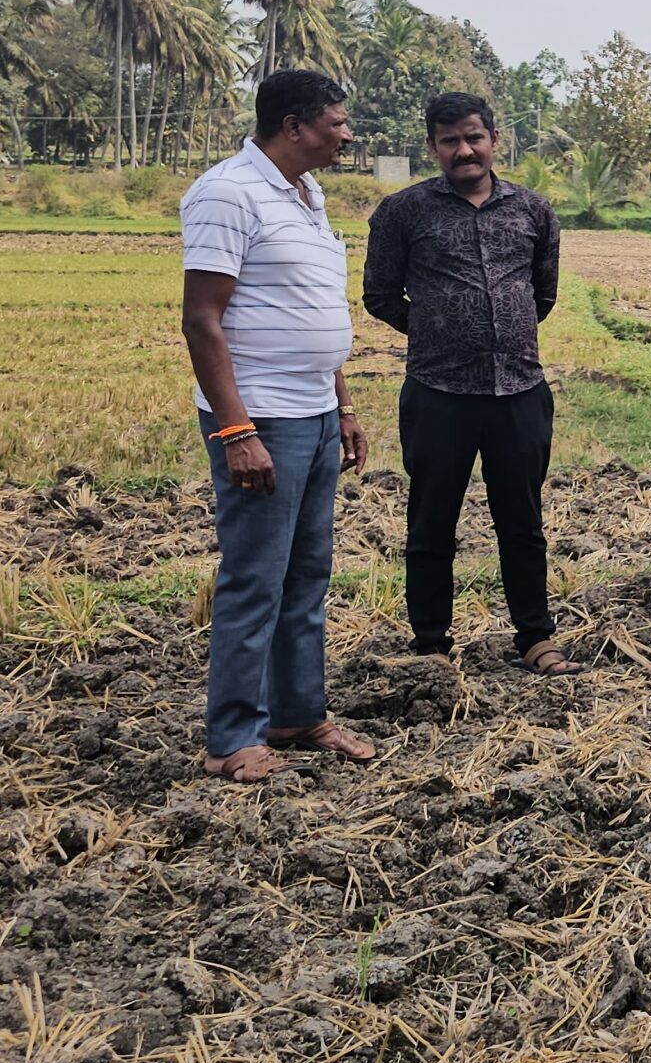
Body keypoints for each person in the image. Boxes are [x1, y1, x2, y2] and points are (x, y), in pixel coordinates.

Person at [179, 68, 376, 783]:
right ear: (293, 126)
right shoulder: (228, 193)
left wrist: (344, 404)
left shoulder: (306, 193)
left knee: (306, 576)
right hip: (263, 416)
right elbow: (202, 319)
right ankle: (232, 736)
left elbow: (311, 313)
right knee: (255, 578)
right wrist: (236, 431)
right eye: (336, 121)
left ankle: (297, 712)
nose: (346, 133)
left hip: (316, 414)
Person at [363, 92, 578, 677]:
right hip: (438, 392)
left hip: (518, 390)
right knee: (431, 522)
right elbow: (379, 295)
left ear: (493, 140)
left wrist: (499, 331)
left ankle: (535, 637)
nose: (464, 149)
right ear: (432, 146)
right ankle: (431, 643)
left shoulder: (531, 211)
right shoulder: (403, 212)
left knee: (523, 522)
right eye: (450, 140)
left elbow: (544, 293)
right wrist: (437, 328)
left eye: (473, 137)